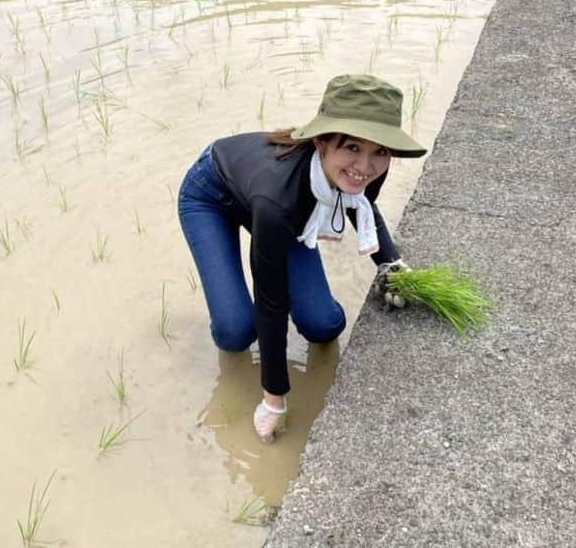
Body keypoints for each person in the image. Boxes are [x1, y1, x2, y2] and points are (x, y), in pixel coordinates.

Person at [177, 73, 427, 443]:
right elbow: (271, 300)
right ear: (322, 143)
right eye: (353, 148)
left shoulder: (364, 171)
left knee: (324, 326)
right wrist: (273, 399)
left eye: (380, 152)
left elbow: (361, 204)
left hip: (270, 201)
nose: (366, 166)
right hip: (210, 196)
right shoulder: (279, 199)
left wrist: (391, 265)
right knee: (236, 332)